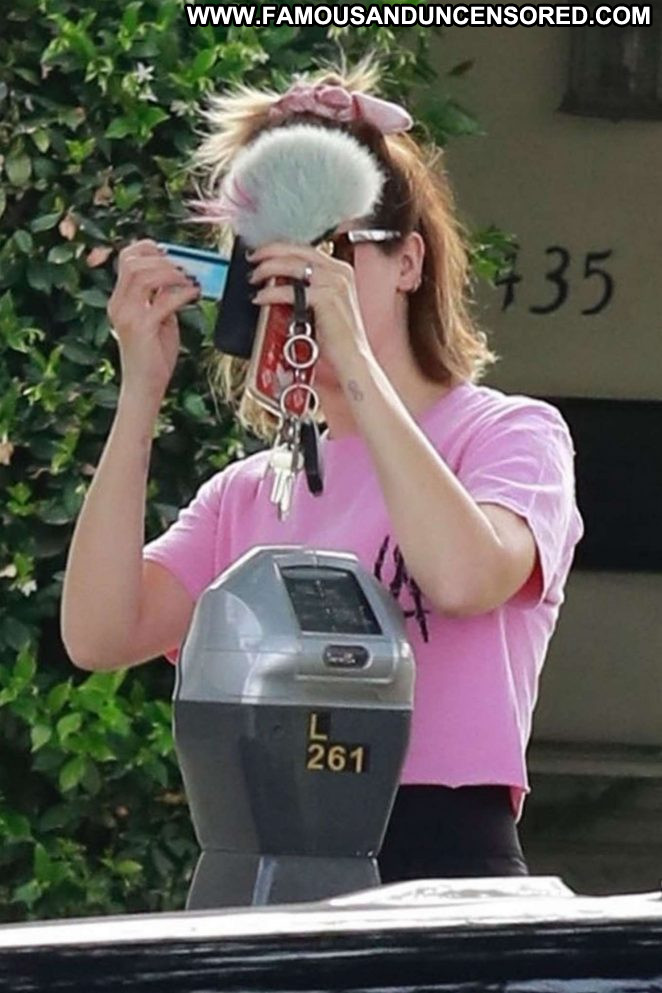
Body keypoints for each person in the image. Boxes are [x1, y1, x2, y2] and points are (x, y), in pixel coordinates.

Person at [61, 58, 584, 882]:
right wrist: (139, 394)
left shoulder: (507, 433)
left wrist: (355, 360)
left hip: (441, 846)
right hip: (268, 845)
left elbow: (465, 577)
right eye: (268, 256)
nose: (298, 282)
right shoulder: (249, 490)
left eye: (333, 249)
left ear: (408, 262)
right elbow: (97, 633)